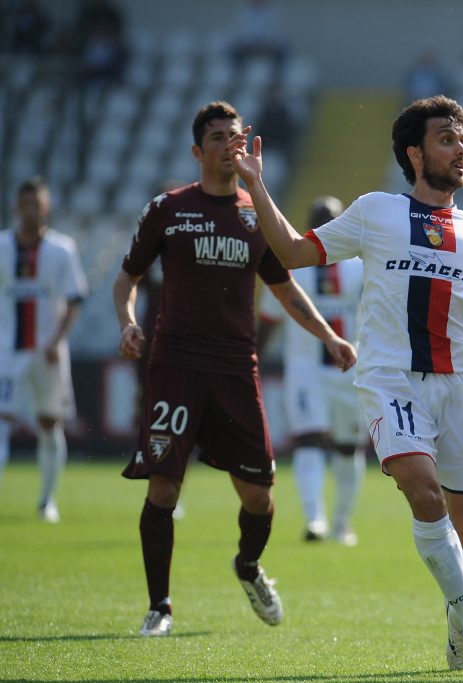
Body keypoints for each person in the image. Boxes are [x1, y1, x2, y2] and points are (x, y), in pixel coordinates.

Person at [228, 95, 463, 677]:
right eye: (446, 139)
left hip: (462, 384)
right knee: (424, 492)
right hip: (391, 378)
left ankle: (457, 622)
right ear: (415, 154)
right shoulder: (376, 211)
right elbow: (292, 252)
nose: (461, 149)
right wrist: (256, 185)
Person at [112, 101, 356, 639]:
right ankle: (160, 606)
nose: (229, 145)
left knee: (259, 496)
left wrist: (330, 336)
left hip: (234, 368)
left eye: (236, 136)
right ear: (197, 151)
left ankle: (247, 566)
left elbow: (286, 290)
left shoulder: (255, 214)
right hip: (175, 365)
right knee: (163, 489)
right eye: (218, 137)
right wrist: (128, 323)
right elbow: (127, 278)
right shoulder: (168, 209)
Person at [257, 196, 366, 545]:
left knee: (347, 447)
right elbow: (268, 320)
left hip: (350, 369)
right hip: (308, 370)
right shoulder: (291, 268)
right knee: (309, 439)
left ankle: (341, 523)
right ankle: (315, 519)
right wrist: (251, 359)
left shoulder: (360, 267)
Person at [0, 176, 88, 522]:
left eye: (36, 204)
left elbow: (74, 299)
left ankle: (47, 501)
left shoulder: (61, 249)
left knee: (49, 423)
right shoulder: (2, 246)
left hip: (48, 350)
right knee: (2, 419)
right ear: (15, 206)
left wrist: (57, 340)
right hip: (8, 350)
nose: (30, 210)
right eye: (25, 204)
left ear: (46, 207)